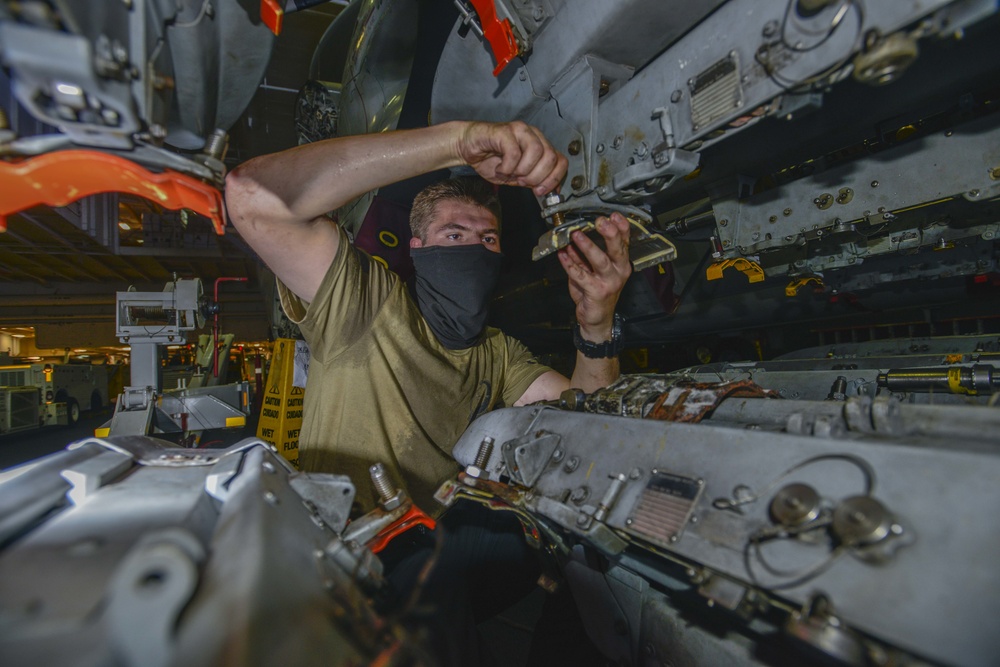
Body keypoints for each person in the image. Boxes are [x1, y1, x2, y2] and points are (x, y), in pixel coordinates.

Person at [225, 120, 630, 665]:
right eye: (453, 236)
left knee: (586, 557)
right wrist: (458, 143)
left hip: (441, 538)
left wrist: (597, 323)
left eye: (487, 239)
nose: (475, 249)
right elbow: (252, 196)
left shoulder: (498, 352)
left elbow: (587, 424)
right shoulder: (365, 305)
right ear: (416, 248)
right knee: (430, 588)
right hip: (349, 553)